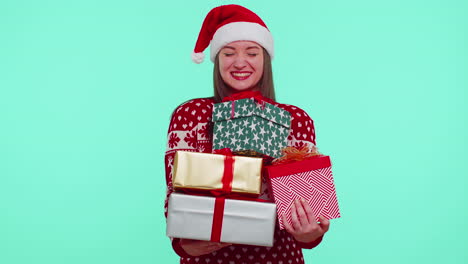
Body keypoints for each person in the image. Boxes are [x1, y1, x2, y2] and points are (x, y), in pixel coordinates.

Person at [164, 5, 330, 264]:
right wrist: (187, 245)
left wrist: (310, 232)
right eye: (228, 53)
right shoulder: (192, 114)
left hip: (278, 257)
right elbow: (175, 196)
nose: (239, 62)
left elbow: (309, 218)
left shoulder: (296, 119)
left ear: (265, 59)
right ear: (217, 59)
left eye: (251, 53)